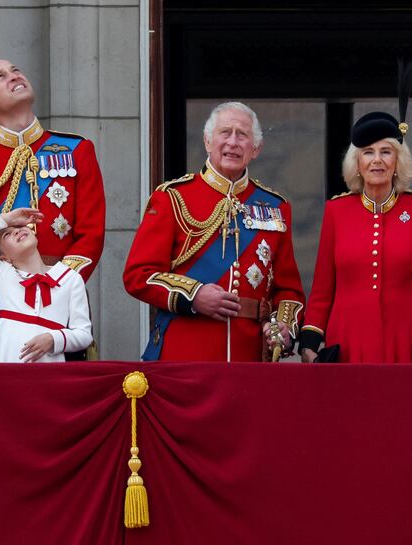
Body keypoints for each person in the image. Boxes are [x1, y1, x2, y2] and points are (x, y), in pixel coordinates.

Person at [123, 102, 305, 362]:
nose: (233, 142)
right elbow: (138, 275)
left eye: (242, 135)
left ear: (256, 149)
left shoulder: (276, 207)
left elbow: (289, 290)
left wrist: (283, 328)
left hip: (249, 355)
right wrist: (194, 296)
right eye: (225, 133)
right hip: (185, 352)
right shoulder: (172, 197)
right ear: (208, 141)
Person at [0, 59, 105, 360]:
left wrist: (58, 285)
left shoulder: (76, 150)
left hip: (62, 313)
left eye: (16, 70)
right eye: (1, 76)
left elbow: (92, 234)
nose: (14, 76)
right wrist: (5, 292)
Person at [299, 111, 412, 362]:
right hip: (348, 341)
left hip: (408, 340)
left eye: (386, 151)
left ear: (397, 161)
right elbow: (322, 290)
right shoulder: (336, 211)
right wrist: (309, 343)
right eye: (368, 152)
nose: (377, 160)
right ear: (356, 162)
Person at [0, 207, 92, 362]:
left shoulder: (70, 279)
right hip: (5, 365)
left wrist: (54, 339)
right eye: (7, 234)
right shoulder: (1, 274)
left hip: (48, 369)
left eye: (19, 227)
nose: (17, 231)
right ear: (3, 257)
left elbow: (84, 334)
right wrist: (5, 219)